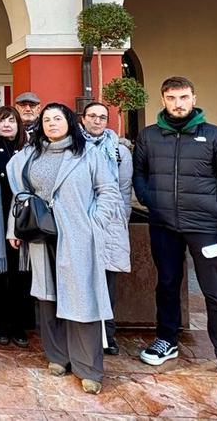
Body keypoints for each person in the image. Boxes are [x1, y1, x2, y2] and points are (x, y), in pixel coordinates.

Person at [133, 76, 217, 394]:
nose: (178, 104)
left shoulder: (216, 137)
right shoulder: (149, 136)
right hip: (163, 224)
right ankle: (166, 339)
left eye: (183, 97)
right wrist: (148, 198)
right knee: (167, 283)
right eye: (171, 98)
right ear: (162, 100)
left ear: (194, 98)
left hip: (205, 227)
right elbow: (139, 172)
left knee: (215, 291)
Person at [5, 102, 122, 395]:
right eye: (46, 120)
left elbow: (108, 190)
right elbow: (20, 195)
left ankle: (88, 368)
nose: (52, 124)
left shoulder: (88, 154)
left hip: (77, 234)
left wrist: (95, 222)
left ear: (70, 121)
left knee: (82, 297)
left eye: (57, 118)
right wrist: (13, 228)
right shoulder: (31, 154)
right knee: (47, 296)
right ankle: (58, 356)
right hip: (40, 234)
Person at [81, 101, 133, 356]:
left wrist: (120, 218)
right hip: (81, 219)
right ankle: (85, 333)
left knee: (107, 280)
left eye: (102, 117)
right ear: (83, 119)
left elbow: (124, 190)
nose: (97, 121)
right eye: (92, 116)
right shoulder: (74, 146)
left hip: (111, 221)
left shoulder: (119, 151)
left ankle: (108, 334)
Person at [0, 105, 34, 348]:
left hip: (23, 218)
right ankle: (1, 323)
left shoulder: (30, 149)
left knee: (21, 274)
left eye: (11, 120)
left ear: (18, 124)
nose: (7, 124)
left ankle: (19, 324)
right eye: (2, 120)